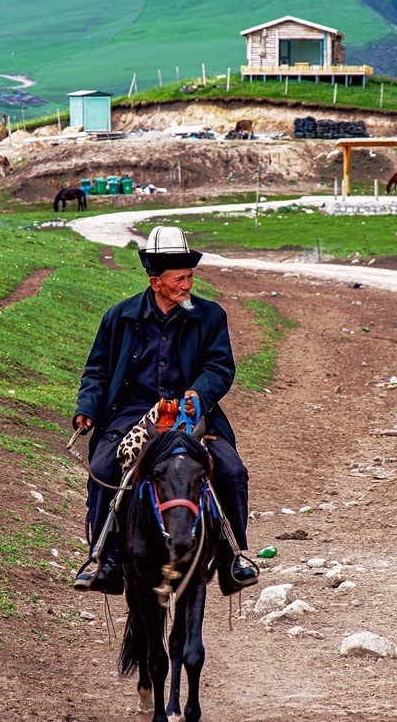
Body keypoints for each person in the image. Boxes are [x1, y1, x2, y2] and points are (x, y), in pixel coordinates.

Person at [71, 226, 258, 596]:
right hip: (133, 412)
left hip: (193, 413)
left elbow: (220, 367)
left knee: (232, 470)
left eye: (189, 277)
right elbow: (97, 370)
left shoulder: (210, 316)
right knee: (102, 469)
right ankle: (105, 559)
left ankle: (229, 555)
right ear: (156, 281)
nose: (187, 285)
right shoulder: (119, 317)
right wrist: (87, 408)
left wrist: (199, 394)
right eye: (179, 279)